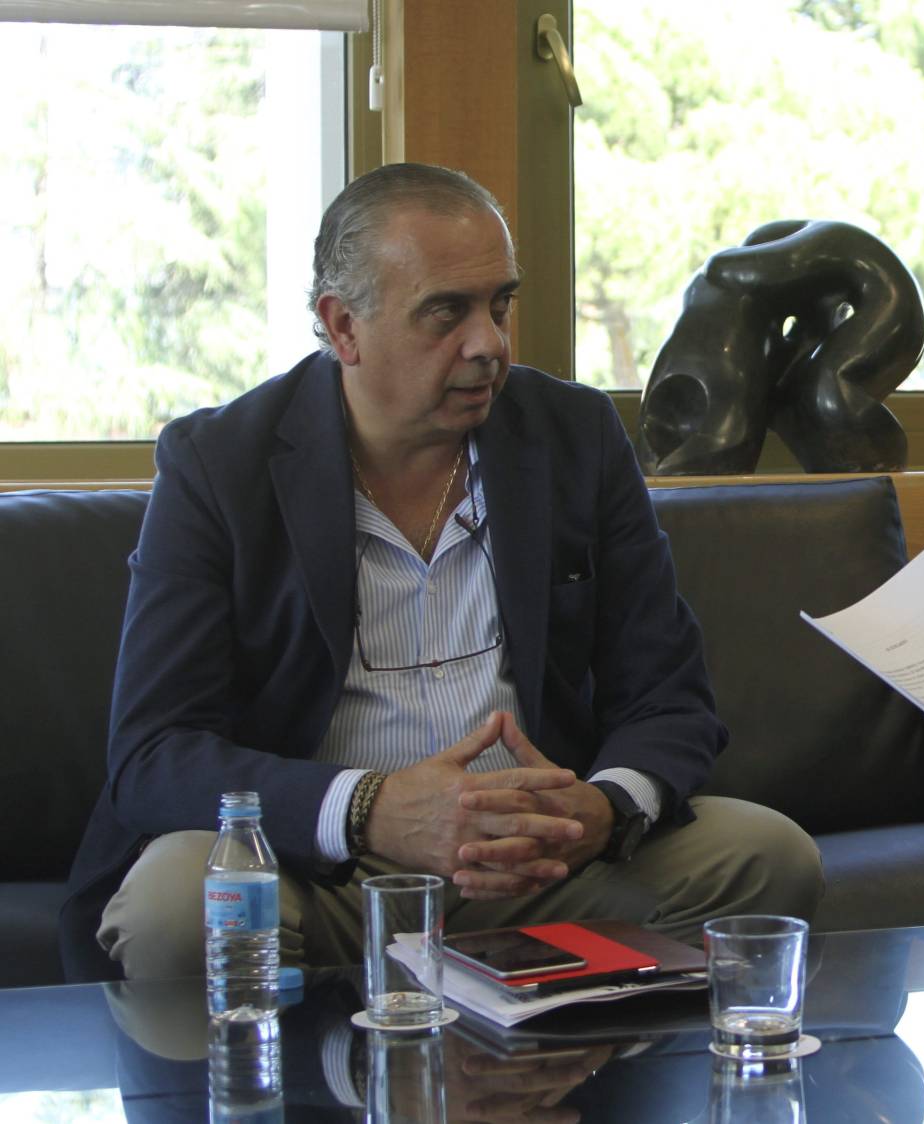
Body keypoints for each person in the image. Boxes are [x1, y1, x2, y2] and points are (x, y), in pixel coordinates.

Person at [61, 163, 823, 981]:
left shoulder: (575, 435)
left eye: (500, 304)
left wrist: (604, 808)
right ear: (343, 327)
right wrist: (370, 809)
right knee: (178, 906)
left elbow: (669, 696)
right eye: (446, 312)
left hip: (541, 867)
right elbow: (155, 753)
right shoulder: (217, 465)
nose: (489, 343)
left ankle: (568, 1040)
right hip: (319, 875)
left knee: (766, 855)